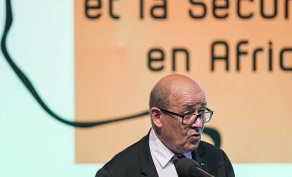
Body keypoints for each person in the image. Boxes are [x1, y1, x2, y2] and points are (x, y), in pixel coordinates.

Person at [96, 74, 235, 177]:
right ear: (157, 117)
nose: (199, 123)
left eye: (202, 112)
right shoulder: (116, 173)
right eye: (187, 114)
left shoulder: (217, 159)